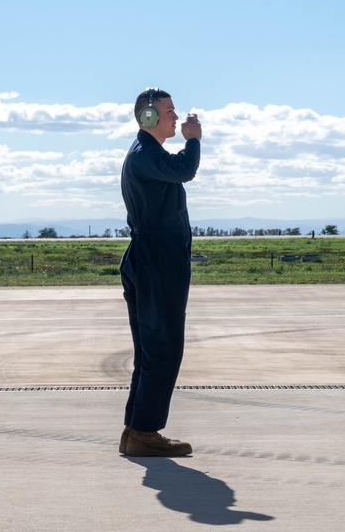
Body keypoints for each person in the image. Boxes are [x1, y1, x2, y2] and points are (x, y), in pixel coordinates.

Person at [118, 87, 202, 458]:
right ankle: (144, 431)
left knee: (152, 349)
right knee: (163, 347)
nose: (175, 116)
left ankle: (137, 429)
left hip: (153, 259)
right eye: (168, 111)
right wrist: (194, 141)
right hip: (156, 262)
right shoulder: (145, 155)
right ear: (147, 117)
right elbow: (185, 170)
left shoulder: (147, 155)